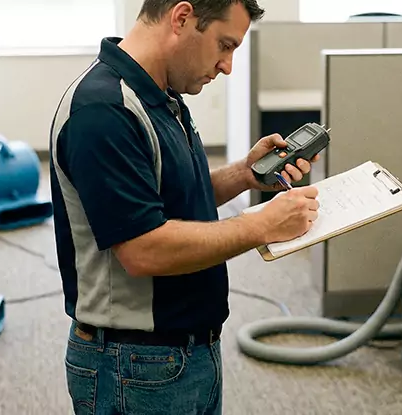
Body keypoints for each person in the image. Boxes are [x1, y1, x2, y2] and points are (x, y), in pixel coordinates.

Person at [48, 1, 321, 413]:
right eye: (224, 45)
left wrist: (246, 174)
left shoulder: (160, 93)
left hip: (182, 354)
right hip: (136, 366)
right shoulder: (104, 110)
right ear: (181, 18)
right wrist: (262, 226)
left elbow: (170, 201)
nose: (227, 66)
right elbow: (143, 248)